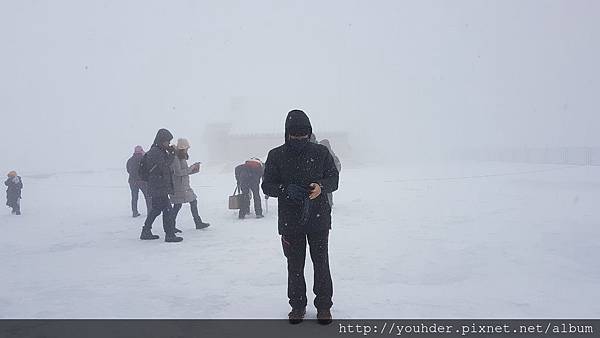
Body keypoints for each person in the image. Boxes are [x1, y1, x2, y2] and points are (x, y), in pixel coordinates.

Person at [262, 109, 339, 325]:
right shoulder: (276, 155)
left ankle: (324, 305)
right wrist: (284, 189)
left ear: (309, 132)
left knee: (321, 263)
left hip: (319, 218)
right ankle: (297, 305)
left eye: (303, 134)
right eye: (294, 134)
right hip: (290, 220)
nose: (299, 138)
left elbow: (334, 178)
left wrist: (320, 187)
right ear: (287, 133)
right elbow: (266, 185)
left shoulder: (321, 152)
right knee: (294, 265)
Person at [139, 128, 182, 243]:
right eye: (167, 141)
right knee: (167, 209)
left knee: (157, 210)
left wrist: (169, 153)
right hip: (158, 186)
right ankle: (169, 235)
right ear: (161, 140)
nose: (168, 143)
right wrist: (172, 154)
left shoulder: (159, 150)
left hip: (158, 186)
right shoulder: (155, 152)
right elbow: (164, 166)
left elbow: (163, 166)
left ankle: (146, 231)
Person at [170, 138, 210, 230]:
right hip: (179, 187)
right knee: (180, 205)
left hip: (183, 186)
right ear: (182, 148)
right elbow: (178, 172)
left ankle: (172, 225)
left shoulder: (180, 157)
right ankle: (196, 223)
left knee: (183, 204)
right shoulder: (176, 158)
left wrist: (195, 169)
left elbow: (184, 172)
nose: (187, 150)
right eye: (186, 148)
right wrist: (192, 167)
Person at [126, 145, 151, 217]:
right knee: (148, 197)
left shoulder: (130, 160)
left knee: (134, 197)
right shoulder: (144, 159)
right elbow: (147, 170)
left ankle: (134, 212)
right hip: (142, 181)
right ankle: (150, 212)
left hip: (132, 181)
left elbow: (128, 170)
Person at [319, 139, 341, 207]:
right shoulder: (327, 153)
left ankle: (329, 203)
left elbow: (337, 164)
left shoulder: (325, 153)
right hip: (328, 176)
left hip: (327, 175)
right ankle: (329, 203)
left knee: (327, 191)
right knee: (328, 191)